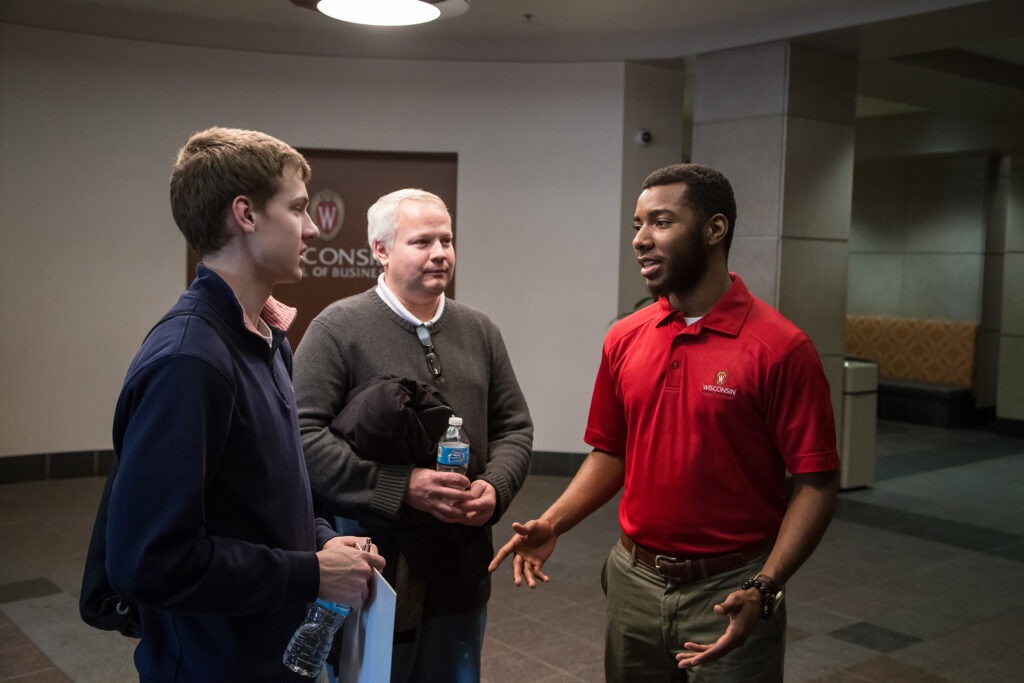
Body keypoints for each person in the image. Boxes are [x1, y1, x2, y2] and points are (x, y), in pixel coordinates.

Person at [490, 163, 840, 682]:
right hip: (634, 579)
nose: (641, 240)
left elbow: (817, 483)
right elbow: (612, 451)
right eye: (637, 225)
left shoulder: (781, 348)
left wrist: (766, 586)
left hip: (732, 588)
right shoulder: (625, 337)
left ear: (714, 230)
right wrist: (554, 522)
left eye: (661, 222)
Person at [105, 126, 385, 682]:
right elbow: (150, 562)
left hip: (266, 653)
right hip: (215, 666)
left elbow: (252, 500)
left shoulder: (264, 337)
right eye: (299, 209)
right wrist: (309, 574)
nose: (311, 229)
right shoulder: (190, 360)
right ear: (246, 214)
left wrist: (322, 541)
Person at [293, 188, 533, 683]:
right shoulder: (338, 329)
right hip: (374, 569)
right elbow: (301, 435)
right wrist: (401, 487)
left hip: (460, 569)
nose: (441, 253)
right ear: (381, 250)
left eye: (446, 240)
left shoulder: (479, 330)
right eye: (422, 241)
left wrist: (496, 487)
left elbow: (514, 427)